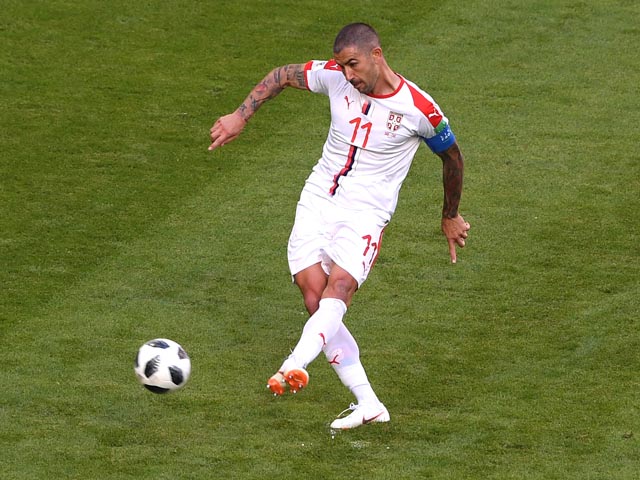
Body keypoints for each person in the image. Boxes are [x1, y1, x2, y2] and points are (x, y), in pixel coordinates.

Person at [209, 23, 470, 430]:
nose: (348, 75)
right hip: (317, 199)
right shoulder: (334, 76)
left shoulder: (419, 109)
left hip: (366, 212)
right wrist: (240, 116)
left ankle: (293, 364)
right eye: (343, 66)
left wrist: (450, 214)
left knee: (341, 288)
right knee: (315, 300)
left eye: (354, 64)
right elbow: (281, 75)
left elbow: (452, 157)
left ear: (377, 55)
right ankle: (369, 404)